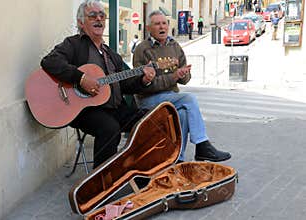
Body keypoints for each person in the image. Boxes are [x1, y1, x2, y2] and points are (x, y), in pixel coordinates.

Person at [40, 0, 156, 169]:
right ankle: (99, 184)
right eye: (92, 15)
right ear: (81, 22)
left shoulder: (112, 54)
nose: (99, 19)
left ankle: (139, 172)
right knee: (109, 129)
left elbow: (124, 85)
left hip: (115, 108)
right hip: (85, 110)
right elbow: (49, 62)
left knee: (150, 120)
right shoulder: (74, 44)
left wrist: (143, 80)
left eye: (102, 15)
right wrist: (81, 78)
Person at [133, 10, 231, 163]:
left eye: (164, 23)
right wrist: (173, 76)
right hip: (148, 100)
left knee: (184, 113)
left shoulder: (175, 46)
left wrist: (183, 74)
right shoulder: (142, 49)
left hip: (172, 98)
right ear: (148, 28)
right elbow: (143, 86)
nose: (162, 27)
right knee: (189, 98)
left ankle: (177, 159)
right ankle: (201, 144)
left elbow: (185, 80)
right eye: (157, 24)